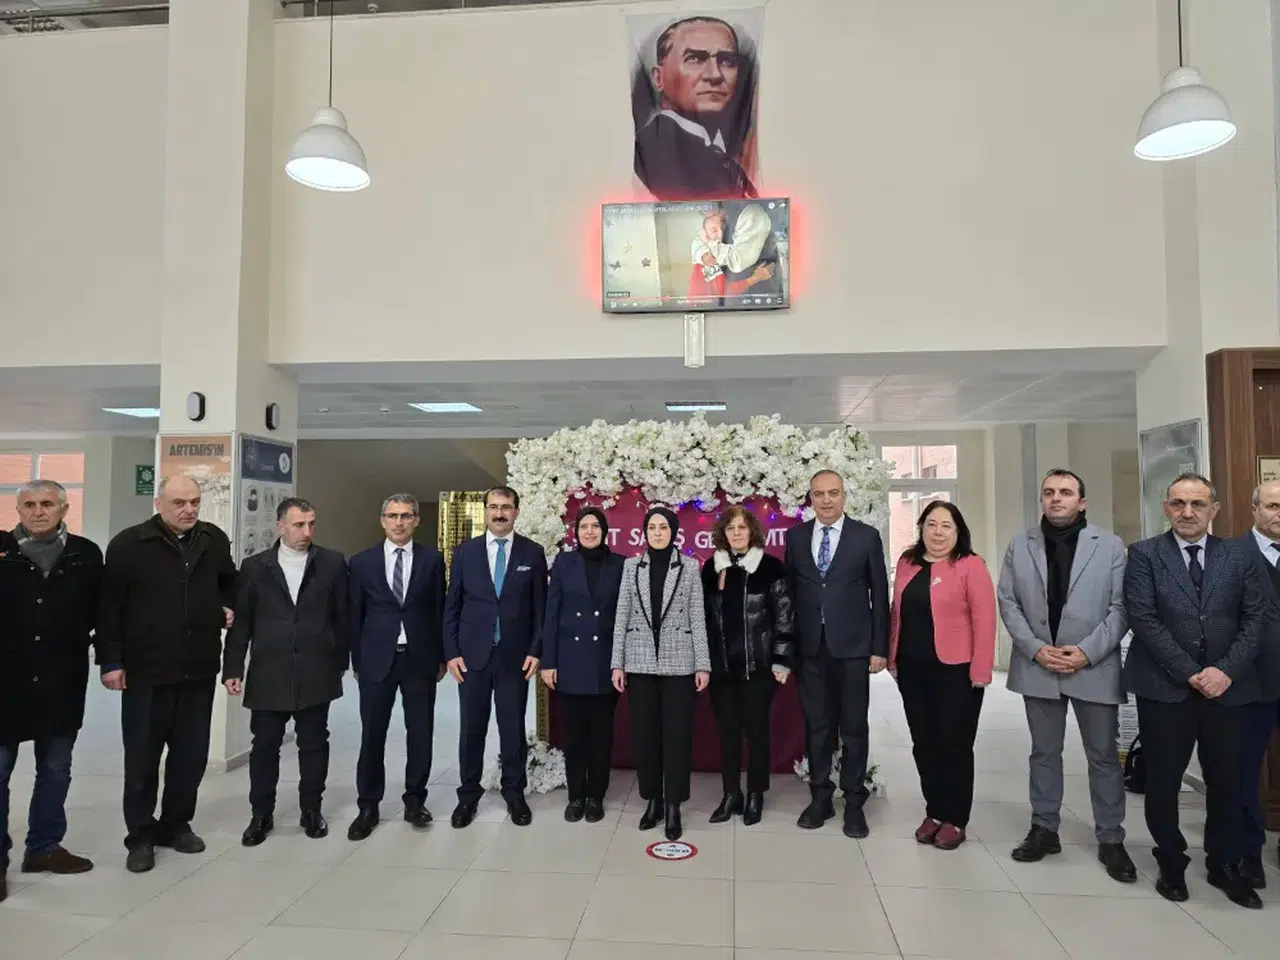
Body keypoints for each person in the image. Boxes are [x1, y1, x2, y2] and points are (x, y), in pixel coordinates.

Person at [1123, 472, 1266, 909]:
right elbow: (1143, 618)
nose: (1188, 512)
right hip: (1164, 688)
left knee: (1227, 781)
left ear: (1214, 509)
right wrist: (1191, 672)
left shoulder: (1238, 556)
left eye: (1198, 504)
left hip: (1228, 690)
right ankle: (1171, 861)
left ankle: (1224, 863)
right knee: (1163, 781)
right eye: (1179, 503)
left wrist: (1223, 671)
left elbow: (1255, 618)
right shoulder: (1144, 554)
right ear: (1166, 507)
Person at [997, 469, 1136, 883]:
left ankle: (1111, 837)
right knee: (1043, 752)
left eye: (1065, 492)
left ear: (1082, 501)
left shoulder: (1109, 546)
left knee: (1103, 756)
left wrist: (1087, 652)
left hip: (1093, 665)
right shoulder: (1020, 545)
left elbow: (1122, 608)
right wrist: (1036, 648)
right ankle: (1044, 829)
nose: (1056, 498)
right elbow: (1008, 602)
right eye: (1049, 492)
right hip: (1039, 665)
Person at [96, 476, 236, 874]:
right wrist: (111, 661)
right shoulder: (129, 544)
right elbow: (109, 608)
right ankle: (141, 835)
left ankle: (177, 824)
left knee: (190, 756)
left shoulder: (212, 539)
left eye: (194, 502)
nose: (189, 509)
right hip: (146, 670)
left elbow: (230, 582)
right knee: (143, 757)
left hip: (197, 667)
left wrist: (225, 606)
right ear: (158, 503)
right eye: (179, 502)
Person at [222, 498, 348, 847]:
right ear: (280, 527)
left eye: (311, 524)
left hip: (316, 670)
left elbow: (343, 616)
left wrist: (339, 662)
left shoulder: (332, 563)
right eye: (298, 525)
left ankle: (312, 810)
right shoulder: (254, 567)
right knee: (264, 747)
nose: (307, 532)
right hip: (268, 671)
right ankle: (261, 815)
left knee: (314, 744)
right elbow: (242, 622)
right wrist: (233, 667)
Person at [0, 481, 101, 901]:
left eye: (46, 503)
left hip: (62, 678)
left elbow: (102, 612)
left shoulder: (85, 554)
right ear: (18, 509)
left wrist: (111, 659)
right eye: (29, 504)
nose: (37, 511)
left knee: (55, 767)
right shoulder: (2, 551)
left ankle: (43, 847)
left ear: (64, 508)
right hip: (5, 681)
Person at [784, 470, 889, 838]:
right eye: (819, 494)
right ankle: (820, 798)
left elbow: (880, 596)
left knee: (854, 727)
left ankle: (855, 803)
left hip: (854, 649)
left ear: (844, 496)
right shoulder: (796, 537)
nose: (826, 500)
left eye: (833, 493)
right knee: (817, 726)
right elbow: (790, 595)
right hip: (810, 649)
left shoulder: (866, 537)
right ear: (810, 498)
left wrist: (879, 648)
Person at [889, 500, 995, 850]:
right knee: (924, 743)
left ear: (958, 531)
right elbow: (896, 613)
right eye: (931, 524)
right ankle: (934, 811)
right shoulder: (907, 562)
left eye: (946, 526)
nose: (938, 532)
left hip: (957, 672)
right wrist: (892, 657)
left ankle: (955, 818)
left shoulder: (970, 565)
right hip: (912, 670)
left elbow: (985, 620)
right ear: (921, 528)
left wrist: (981, 670)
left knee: (954, 745)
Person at [445, 485, 547, 829]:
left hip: (515, 658)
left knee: (512, 728)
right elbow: (452, 606)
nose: (499, 513)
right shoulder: (466, 552)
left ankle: (514, 793)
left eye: (506, 507)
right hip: (472, 657)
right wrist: (452, 652)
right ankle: (467, 797)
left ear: (516, 511)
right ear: (485, 511)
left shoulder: (533, 552)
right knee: (471, 729)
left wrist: (535, 650)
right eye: (493, 507)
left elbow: (540, 610)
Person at [346, 493, 446, 841]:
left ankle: (415, 801)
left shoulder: (433, 560)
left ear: (416, 520)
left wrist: (441, 656)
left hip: (420, 659)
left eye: (406, 516)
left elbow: (440, 610)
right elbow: (354, 615)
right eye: (392, 516)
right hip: (377, 661)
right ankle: (368, 806)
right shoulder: (362, 563)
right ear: (383, 521)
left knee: (420, 733)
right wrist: (357, 660)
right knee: (372, 735)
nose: (399, 522)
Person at [612, 507, 710, 841]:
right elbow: (622, 615)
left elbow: (697, 617)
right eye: (652, 527)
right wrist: (617, 663)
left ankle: (673, 805)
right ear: (644, 532)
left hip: (679, 663)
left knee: (677, 737)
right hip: (639, 662)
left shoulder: (690, 567)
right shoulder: (631, 567)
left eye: (663, 527)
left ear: (673, 532)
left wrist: (702, 664)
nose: (657, 533)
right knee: (645, 736)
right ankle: (652, 800)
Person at [700, 505, 793, 826]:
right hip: (722, 670)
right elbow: (703, 620)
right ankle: (731, 794)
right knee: (727, 734)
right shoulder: (711, 569)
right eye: (731, 528)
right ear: (723, 534)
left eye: (742, 527)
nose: (737, 533)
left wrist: (782, 660)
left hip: (759, 668)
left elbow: (784, 617)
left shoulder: (770, 567)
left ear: (752, 531)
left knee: (757, 733)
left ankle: (755, 793)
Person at [540, 507, 625, 823]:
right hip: (570, 661)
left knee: (601, 737)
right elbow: (551, 614)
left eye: (595, 526)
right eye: (584, 526)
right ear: (576, 532)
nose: (589, 531)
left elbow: (625, 615)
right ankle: (576, 795)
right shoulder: (564, 563)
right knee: (574, 736)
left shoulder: (620, 564)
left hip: (606, 661)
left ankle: (595, 796)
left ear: (605, 531)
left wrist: (622, 662)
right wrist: (548, 661)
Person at [633, 15, 757, 200]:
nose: (715, 75)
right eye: (695, 59)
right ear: (658, 78)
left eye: (727, 61)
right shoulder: (652, 150)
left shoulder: (729, 158)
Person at [1233, 480, 1280, 889]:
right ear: (1255, 510)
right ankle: (1249, 851)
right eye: (1272, 506)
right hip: (1249, 683)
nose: (1279, 513)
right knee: (1243, 770)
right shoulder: (1232, 555)